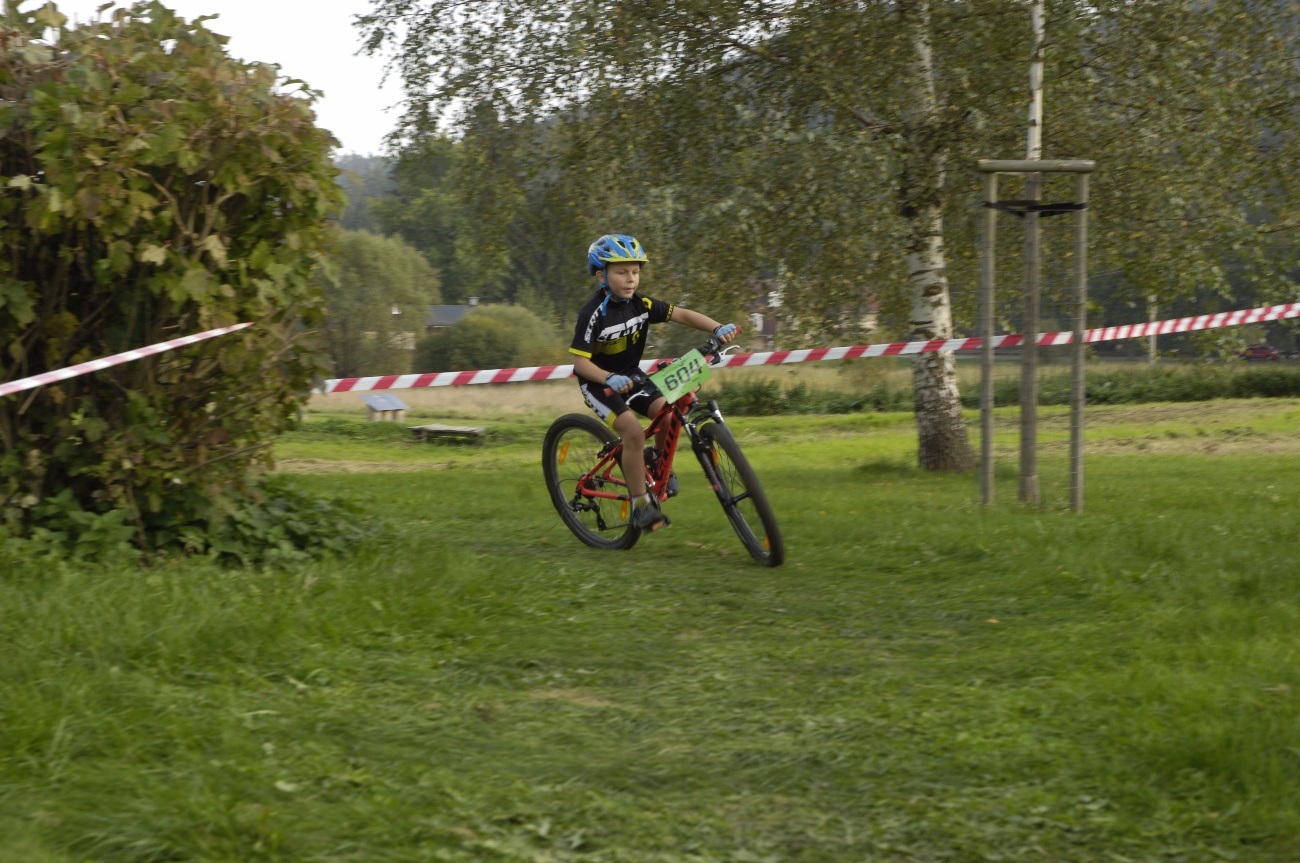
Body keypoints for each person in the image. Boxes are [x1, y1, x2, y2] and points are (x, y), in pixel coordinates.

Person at [569, 234, 738, 532]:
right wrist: (608, 377)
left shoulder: (642, 304)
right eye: (622, 272)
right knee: (633, 432)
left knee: (668, 413)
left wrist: (717, 327)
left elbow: (681, 314)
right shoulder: (592, 314)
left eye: (635, 272)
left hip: (631, 374)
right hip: (598, 382)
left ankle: (659, 464)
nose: (631, 279)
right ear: (601, 276)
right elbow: (580, 363)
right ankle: (640, 506)